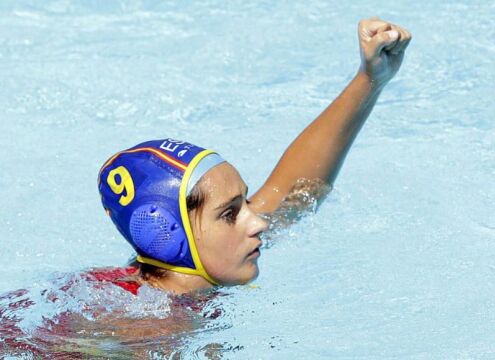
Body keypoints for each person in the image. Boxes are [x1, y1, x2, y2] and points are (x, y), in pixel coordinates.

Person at [98, 17, 412, 294]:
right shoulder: (136, 331)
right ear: (166, 236)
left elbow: (296, 188)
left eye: (244, 203)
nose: (259, 222)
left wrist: (370, 80)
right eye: (229, 214)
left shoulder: (199, 263)